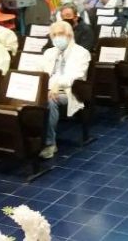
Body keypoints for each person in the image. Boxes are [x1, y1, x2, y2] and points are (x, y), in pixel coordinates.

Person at [38, 21, 91, 159]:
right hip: (45, 89)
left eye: (60, 34)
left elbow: (76, 75)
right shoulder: (49, 52)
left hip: (69, 90)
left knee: (50, 101)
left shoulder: (81, 52)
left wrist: (58, 84)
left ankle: (50, 143)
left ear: (69, 35)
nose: (57, 38)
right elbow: (39, 70)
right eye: (54, 35)